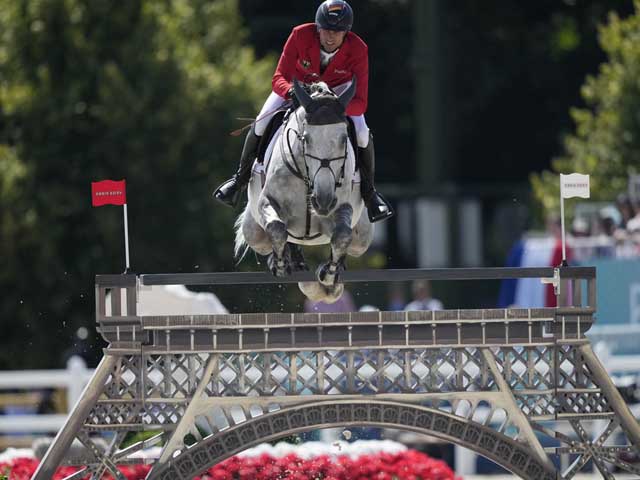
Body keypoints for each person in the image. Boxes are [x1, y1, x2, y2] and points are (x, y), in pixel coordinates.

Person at [213, 0, 393, 223]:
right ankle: (238, 181)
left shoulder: (358, 48)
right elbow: (278, 76)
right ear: (318, 27)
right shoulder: (300, 35)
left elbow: (361, 101)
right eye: (326, 29)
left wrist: (334, 106)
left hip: (339, 95)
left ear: (346, 32)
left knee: (363, 132)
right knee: (260, 121)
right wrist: (290, 92)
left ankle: (370, 193)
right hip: (299, 89)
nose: (330, 37)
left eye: (337, 32)